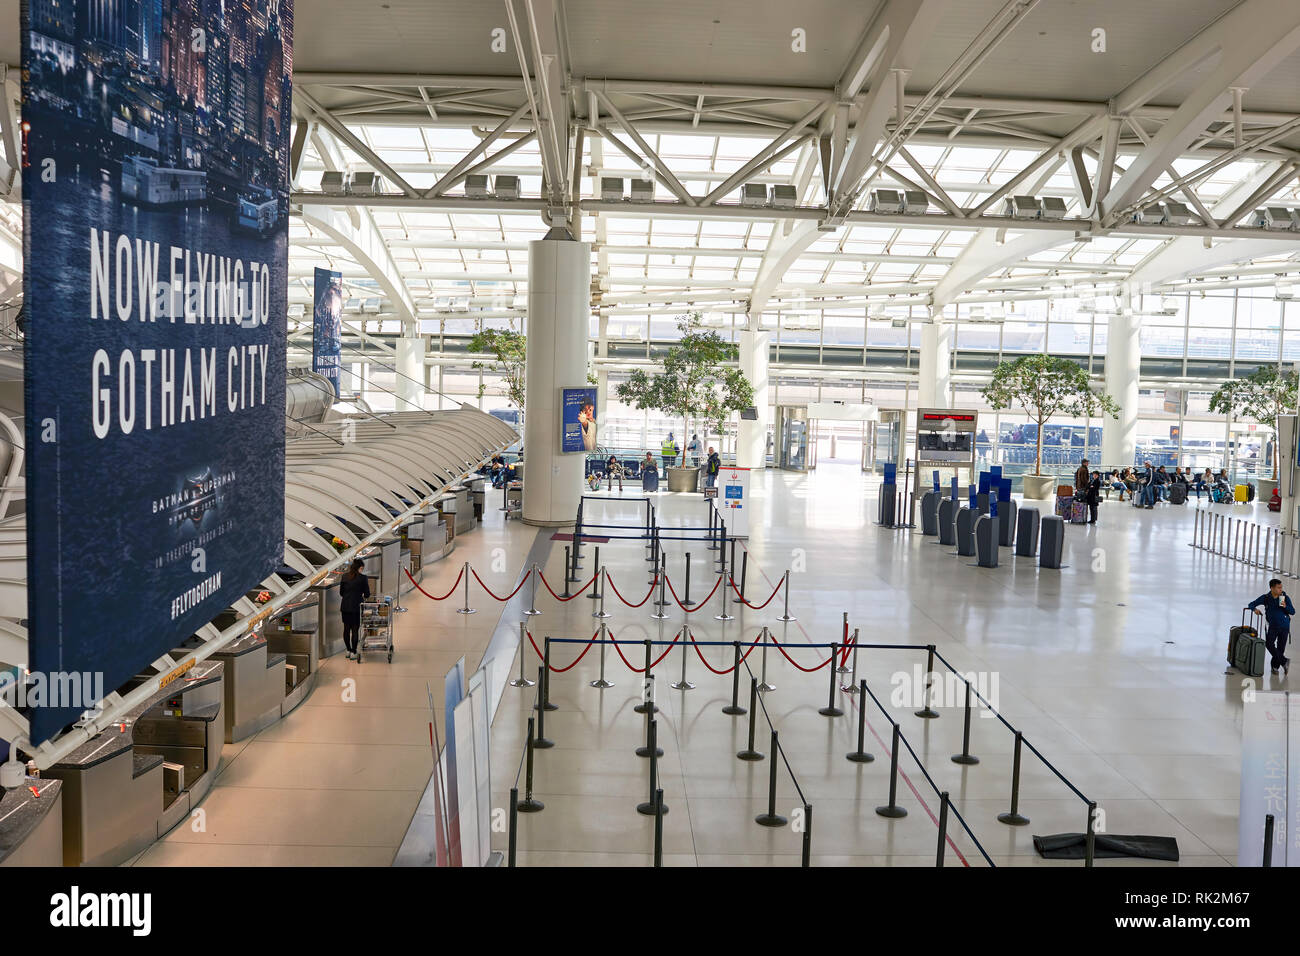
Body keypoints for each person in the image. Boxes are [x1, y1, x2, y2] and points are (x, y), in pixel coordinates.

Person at [1249, 578, 1295, 674]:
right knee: (1269, 644)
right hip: (1273, 626)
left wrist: (1285, 606)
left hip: (1284, 627)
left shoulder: (1285, 597)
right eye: (1278, 588)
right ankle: (1284, 661)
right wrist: (1255, 610)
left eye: (1281, 587)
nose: (1281, 589)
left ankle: (1275, 667)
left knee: (1280, 649)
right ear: (1272, 588)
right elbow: (1251, 604)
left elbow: (1293, 612)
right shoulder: (1266, 598)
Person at [339, 559, 371, 661]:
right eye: (362, 568)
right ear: (359, 568)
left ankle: (348, 650)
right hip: (356, 607)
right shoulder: (363, 578)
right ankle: (353, 652)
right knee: (355, 629)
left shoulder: (344, 576)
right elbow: (367, 594)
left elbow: (341, 593)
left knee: (346, 629)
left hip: (345, 607)